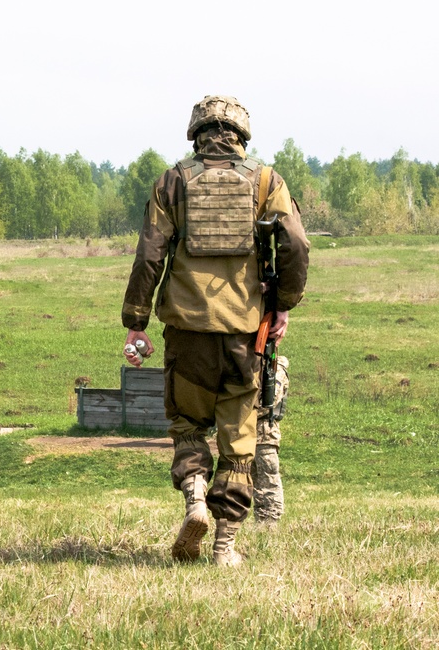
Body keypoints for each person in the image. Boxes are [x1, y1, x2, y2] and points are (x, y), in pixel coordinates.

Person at [121, 96, 309, 567]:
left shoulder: (173, 182)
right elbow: (297, 246)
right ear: (242, 136)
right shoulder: (267, 182)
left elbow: (149, 256)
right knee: (240, 441)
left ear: (196, 132)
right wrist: (282, 304)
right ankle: (224, 546)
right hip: (245, 335)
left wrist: (136, 322)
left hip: (186, 332)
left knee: (186, 425)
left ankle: (195, 499)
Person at [253, 355, 289, 524]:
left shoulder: (275, 370)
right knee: (255, 482)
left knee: (268, 479)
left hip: (265, 434)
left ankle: (271, 521)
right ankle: (260, 520)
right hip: (249, 433)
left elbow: (269, 402)